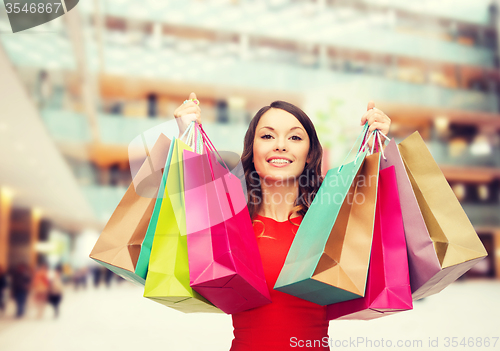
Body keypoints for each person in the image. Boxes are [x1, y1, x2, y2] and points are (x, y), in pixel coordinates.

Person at [174, 92, 391, 351]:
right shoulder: (231, 221)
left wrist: (376, 155)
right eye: (267, 136)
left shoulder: (332, 222)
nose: (280, 145)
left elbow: (381, 243)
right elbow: (187, 215)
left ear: (310, 154)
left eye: (295, 137)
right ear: (252, 151)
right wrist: (186, 135)